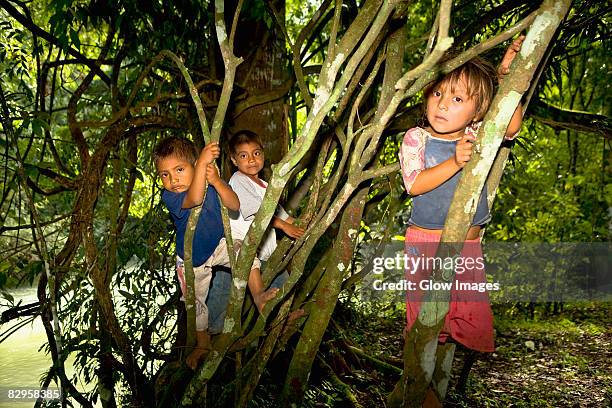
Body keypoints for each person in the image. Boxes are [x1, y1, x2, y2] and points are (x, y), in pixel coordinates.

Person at [399, 36, 524, 405]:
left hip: (466, 245)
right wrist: (454, 161)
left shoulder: (476, 135)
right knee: (425, 325)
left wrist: (506, 76)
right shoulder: (416, 138)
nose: (442, 105)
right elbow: (414, 184)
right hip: (426, 245)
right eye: (439, 94)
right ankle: (422, 397)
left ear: (477, 110)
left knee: (461, 322)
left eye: (457, 99)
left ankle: (435, 390)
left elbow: (511, 127)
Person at [154, 136, 278, 369]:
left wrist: (218, 181)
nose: (172, 179)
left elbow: (234, 205)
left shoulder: (210, 183)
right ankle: (203, 342)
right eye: (165, 174)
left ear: (193, 166)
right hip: (192, 260)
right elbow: (195, 198)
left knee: (244, 252)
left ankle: (259, 294)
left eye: (179, 169)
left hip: (218, 245)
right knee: (195, 300)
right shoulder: (170, 196)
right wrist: (202, 164)